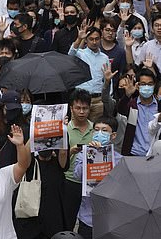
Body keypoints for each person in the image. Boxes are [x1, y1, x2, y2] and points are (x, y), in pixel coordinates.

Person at [73, 116, 122, 239]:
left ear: (113, 135)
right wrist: (92, 154)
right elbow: (77, 175)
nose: (100, 133)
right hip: (87, 217)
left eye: (104, 130)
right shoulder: (83, 154)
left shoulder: (120, 160)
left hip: (111, 219)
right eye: (96, 129)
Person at [62, 90, 94, 231]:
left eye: (85, 108)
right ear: (71, 108)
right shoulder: (64, 130)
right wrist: (70, 152)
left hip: (91, 183)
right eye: (78, 108)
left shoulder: (96, 130)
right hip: (69, 181)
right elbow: (57, 159)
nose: (81, 112)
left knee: (87, 223)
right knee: (67, 220)